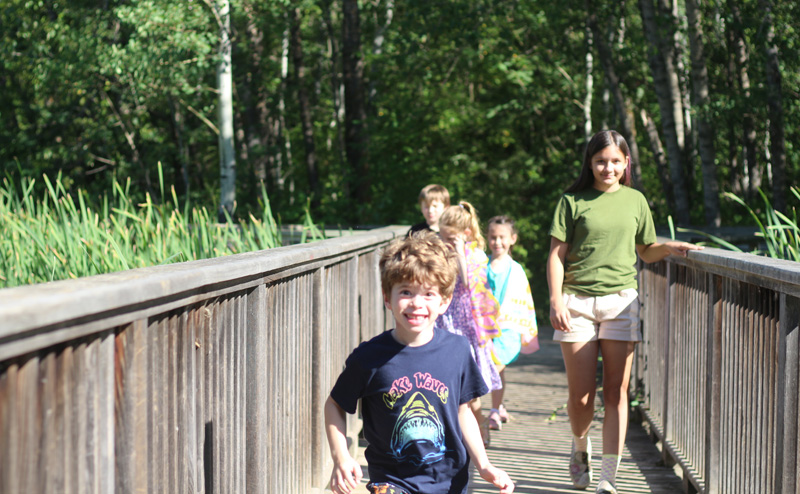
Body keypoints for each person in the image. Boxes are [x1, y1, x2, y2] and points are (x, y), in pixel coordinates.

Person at [547, 130, 703, 494]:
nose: (608, 167)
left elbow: (645, 250)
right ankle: (579, 444)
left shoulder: (636, 201)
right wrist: (555, 300)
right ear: (590, 162)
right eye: (601, 160)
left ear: (626, 163)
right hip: (577, 304)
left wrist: (668, 248)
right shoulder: (572, 200)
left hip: (621, 303)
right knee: (582, 396)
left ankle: (608, 478)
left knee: (616, 392)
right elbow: (556, 254)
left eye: (616, 161)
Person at [324, 232, 515, 494]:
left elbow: (463, 411)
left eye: (428, 294)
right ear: (387, 298)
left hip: (449, 481)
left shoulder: (457, 350)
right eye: (406, 291)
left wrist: (484, 465)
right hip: (391, 481)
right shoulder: (369, 357)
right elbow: (335, 404)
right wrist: (341, 457)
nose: (417, 303)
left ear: (445, 301)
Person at [435, 201, 502, 447]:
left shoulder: (475, 254)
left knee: (469, 385)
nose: (445, 241)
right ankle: (452, 433)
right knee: (446, 376)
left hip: (467, 325)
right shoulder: (441, 251)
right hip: (445, 319)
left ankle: (479, 421)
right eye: (442, 235)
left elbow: (466, 279)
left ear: (464, 234)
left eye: (449, 237)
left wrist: (460, 252)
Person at [485, 215, 539, 431]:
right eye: (493, 237)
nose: (497, 242)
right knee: (495, 367)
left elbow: (523, 300)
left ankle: (494, 411)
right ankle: (499, 405)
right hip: (486, 326)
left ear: (512, 239)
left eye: (502, 237)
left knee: (496, 367)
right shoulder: (482, 265)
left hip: (507, 326)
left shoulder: (515, 269)